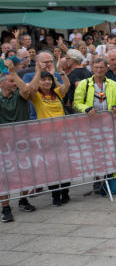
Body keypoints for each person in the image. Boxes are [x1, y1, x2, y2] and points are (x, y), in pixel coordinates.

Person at [14, 56, 71, 206]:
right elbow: (28, 89)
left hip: (62, 135)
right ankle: (55, 195)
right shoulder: (36, 96)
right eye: (43, 80)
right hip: (46, 137)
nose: (47, 82)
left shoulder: (57, 93)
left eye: (49, 80)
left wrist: (60, 71)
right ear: (39, 82)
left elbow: (67, 85)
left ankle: (65, 193)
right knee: (52, 166)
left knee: (64, 165)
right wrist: (38, 72)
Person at [0, 67, 35, 222]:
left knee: (25, 172)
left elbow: (27, 89)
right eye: (11, 81)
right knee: (3, 177)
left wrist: (14, 74)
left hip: (22, 141)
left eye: (15, 81)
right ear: (1, 84)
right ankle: (6, 208)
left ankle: (23, 200)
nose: (14, 84)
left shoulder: (20, 95)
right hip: (3, 144)